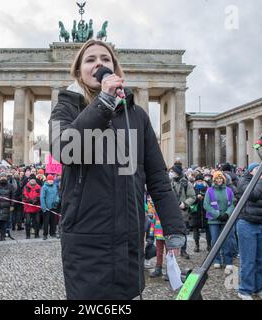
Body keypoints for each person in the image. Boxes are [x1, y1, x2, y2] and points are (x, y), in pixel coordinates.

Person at [49, 39, 186, 300]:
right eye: (90, 60)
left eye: (105, 59)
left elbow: (157, 176)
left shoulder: (137, 116)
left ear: (115, 69)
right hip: (86, 241)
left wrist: (173, 226)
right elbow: (66, 151)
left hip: (129, 239)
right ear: (79, 72)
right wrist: (104, 102)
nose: (98, 63)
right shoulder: (65, 108)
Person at [235, 163, 262, 300]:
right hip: (247, 224)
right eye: (258, 169)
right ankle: (245, 290)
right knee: (248, 259)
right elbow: (254, 195)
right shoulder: (243, 182)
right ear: (251, 172)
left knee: (261, 259)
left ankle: (258, 287)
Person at [203, 171, 235, 271]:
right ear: (214, 180)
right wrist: (217, 214)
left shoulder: (229, 190)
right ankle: (216, 260)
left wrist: (227, 214)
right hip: (214, 220)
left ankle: (228, 261)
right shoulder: (209, 190)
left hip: (226, 219)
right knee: (215, 240)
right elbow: (206, 205)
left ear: (223, 179)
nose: (219, 180)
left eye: (220, 178)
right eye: (217, 178)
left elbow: (232, 204)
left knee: (227, 240)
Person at [169, 165, 195, 259]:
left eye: (173, 171)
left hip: (183, 211)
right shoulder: (169, 182)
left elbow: (192, 197)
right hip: (171, 211)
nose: (171, 173)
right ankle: (172, 250)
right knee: (171, 232)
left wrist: (185, 204)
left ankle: (183, 250)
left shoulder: (186, 183)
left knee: (183, 232)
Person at [0, 173, 15, 241]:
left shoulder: (11, 186)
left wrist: (12, 205)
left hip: (6, 206)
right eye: (2, 176)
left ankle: (2, 237)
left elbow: (12, 196)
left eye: (5, 176)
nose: (3, 178)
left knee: (3, 223)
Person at [192, 174, 211, 252]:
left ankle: (209, 245)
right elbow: (191, 198)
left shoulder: (207, 188)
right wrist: (197, 197)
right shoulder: (192, 188)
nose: (199, 182)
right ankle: (197, 245)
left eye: (201, 181)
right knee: (195, 229)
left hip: (205, 211)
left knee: (208, 229)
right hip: (195, 211)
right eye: (198, 181)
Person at [40, 175, 60, 240]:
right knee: (46, 221)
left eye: (51, 180)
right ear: (47, 180)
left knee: (53, 221)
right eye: (49, 180)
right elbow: (42, 197)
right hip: (46, 207)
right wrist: (44, 206)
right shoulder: (44, 187)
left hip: (54, 206)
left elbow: (57, 194)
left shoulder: (55, 186)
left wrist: (57, 201)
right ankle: (45, 234)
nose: (51, 181)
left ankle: (52, 232)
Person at [22, 174, 42, 239]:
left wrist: (36, 199)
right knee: (27, 222)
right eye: (31, 180)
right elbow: (24, 195)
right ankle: (28, 235)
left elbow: (40, 195)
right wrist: (30, 200)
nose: (33, 181)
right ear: (29, 180)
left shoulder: (39, 187)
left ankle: (37, 234)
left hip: (36, 207)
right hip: (28, 208)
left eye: (34, 180)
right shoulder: (26, 187)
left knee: (37, 221)